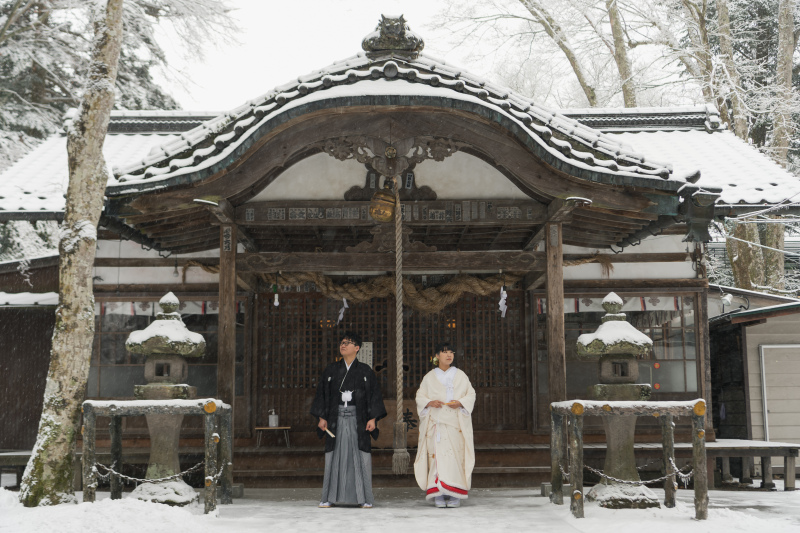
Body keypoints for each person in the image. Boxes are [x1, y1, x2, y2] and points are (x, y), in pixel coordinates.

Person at [311, 331, 387, 508]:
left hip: (358, 420)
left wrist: (373, 418)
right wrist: (322, 416)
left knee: (359, 457)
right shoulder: (331, 370)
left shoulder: (365, 371)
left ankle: (364, 498)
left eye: (348, 342)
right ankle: (328, 497)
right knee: (334, 456)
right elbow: (322, 394)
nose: (343, 345)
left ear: (357, 348)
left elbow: (374, 395)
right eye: (342, 342)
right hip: (335, 420)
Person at [414, 342, 476, 508]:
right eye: (444, 352)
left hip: (455, 425)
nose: (448, 355)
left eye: (451, 352)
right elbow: (420, 396)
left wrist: (461, 403)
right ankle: (438, 493)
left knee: (455, 458)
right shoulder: (429, 377)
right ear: (437, 356)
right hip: (437, 424)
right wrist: (429, 402)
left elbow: (471, 394)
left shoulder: (461, 375)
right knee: (437, 459)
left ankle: (455, 493)